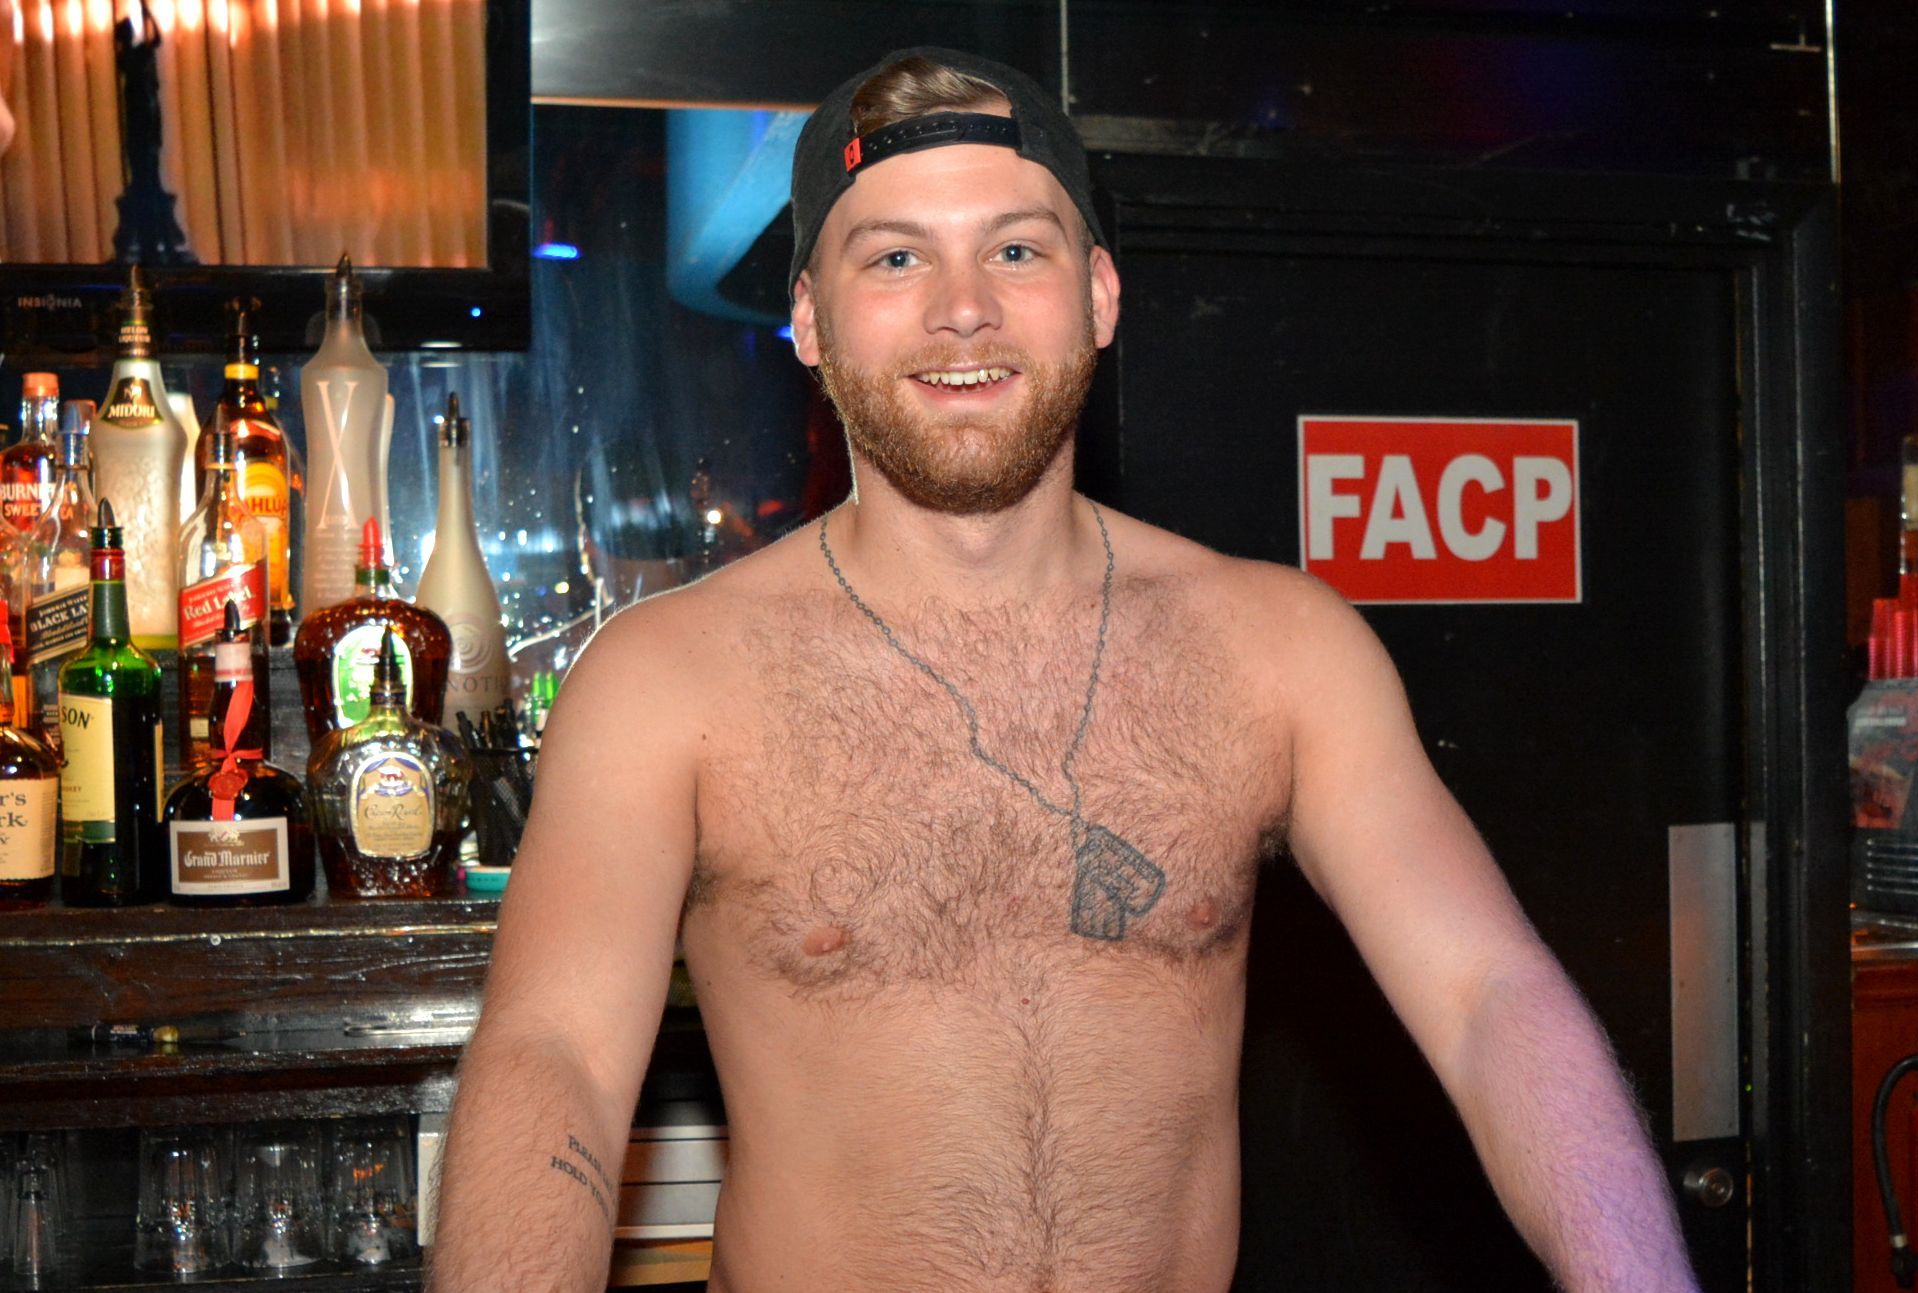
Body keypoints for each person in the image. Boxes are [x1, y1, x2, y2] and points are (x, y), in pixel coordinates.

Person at [428, 47, 1700, 1293]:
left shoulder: (1279, 650)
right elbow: (555, 1059)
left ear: (1098, 295)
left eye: (1016, 250)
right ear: (810, 320)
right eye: (895, 258)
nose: (962, 307)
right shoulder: (667, 681)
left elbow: (1491, 999)